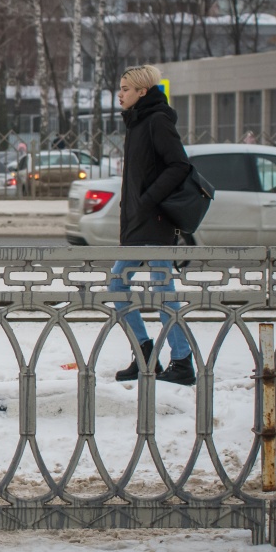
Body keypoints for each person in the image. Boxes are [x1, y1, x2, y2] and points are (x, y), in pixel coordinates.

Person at [110, 65, 197, 386]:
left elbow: (180, 165)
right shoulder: (137, 122)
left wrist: (147, 200)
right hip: (139, 222)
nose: (120, 94)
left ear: (142, 92)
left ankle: (181, 360)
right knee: (118, 285)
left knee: (161, 289)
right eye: (120, 88)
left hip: (155, 222)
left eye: (126, 89)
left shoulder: (156, 121)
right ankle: (145, 352)